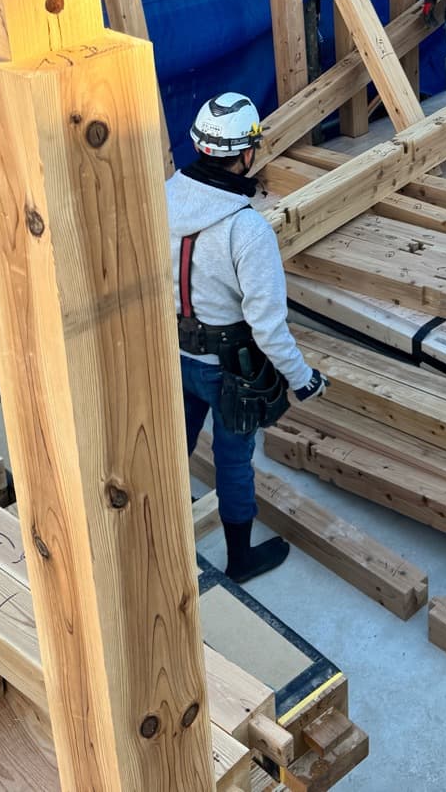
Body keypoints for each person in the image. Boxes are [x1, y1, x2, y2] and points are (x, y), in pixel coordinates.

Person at [166, 92, 328, 582]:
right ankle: (239, 560)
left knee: (172, 450)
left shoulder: (164, 198)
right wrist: (302, 379)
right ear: (246, 153)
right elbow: (268, 326)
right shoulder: (247, 229)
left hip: (174, 355)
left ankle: (162, 534)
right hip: (229, 370)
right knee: (234, 462)